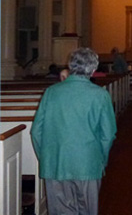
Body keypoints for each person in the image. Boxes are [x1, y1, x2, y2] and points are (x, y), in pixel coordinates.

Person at [31, 47, 117, 215]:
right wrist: (101, 160)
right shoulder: (100, 95)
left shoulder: (51, 92)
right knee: (87, 210)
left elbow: (36, 131)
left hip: (55, 163)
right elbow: (108, 135)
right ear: (93, 69)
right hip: (87, 163)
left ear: (70, 66)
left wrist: (47, 157)